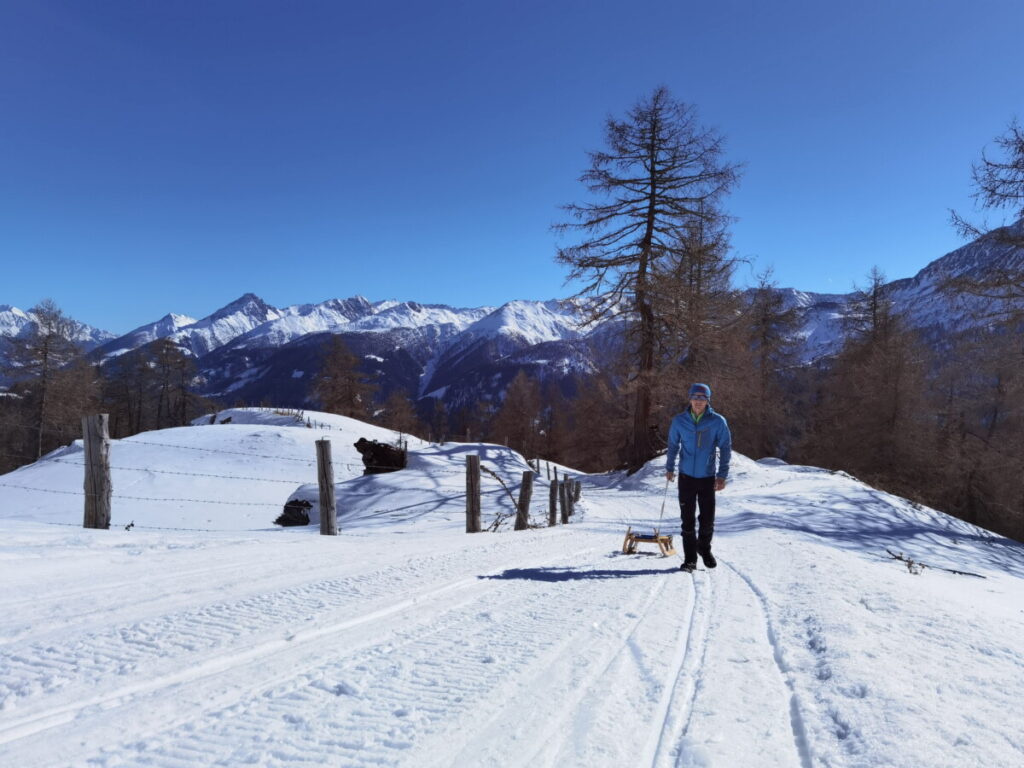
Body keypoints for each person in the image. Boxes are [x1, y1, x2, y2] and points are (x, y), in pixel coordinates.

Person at [665, 383, 732, 572]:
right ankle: (690, 559)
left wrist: (722, 475)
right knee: (687, 520)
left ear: (708, 400)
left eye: (702, 398)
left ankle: (704, 547)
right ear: (689, 399)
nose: (698, 401)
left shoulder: (718, 421)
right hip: (686, 477)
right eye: (695, 397)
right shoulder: (679, 421)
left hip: (707, 477)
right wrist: (669, 467)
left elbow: (725, 447)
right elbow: (672, 445)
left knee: (707, 520)